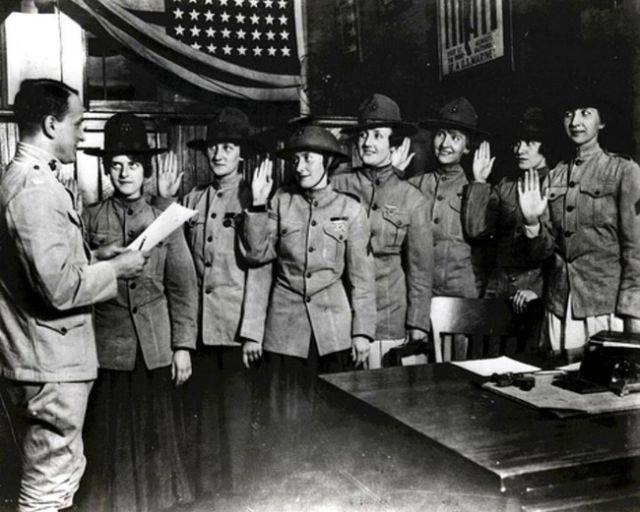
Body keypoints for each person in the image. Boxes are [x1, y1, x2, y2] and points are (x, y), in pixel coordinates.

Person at [0, 79, 146, 512]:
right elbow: (58, 290)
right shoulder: (35, 189)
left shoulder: (27, 179)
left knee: (59, 480)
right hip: (50, 363)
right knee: (48, 488)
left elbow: (43, 266)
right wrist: (115, 269)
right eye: (78, 124)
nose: (83, 134)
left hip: (42, 358)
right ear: (50, 125)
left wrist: (95, 255)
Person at [78, 113, 198, 511]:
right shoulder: (90, 218)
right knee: (109, 443)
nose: (124, 172)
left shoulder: (166, 217)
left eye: (132, 164)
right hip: (108, 349)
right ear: (106, 169)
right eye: (115, 165)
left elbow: (182, 286)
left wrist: (182, 346)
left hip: (155, 347)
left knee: (156, 441)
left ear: (145, 169)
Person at [155, 107, 270, 495]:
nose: (219, 154)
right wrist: (163, 201)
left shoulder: (256, 198)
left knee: (237, 427)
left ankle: (239, 499)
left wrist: (253, 331)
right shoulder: (193, 199)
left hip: (236, 332)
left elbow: (261, 268)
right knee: (201, 425)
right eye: (213, 147)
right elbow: (168, 258)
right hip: (200, 333)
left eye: (228, 147)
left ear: (241, 153)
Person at [241, 125, 376, 394]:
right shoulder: (281, 201)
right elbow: (258, 261)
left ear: (327, 162)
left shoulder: (350, 209)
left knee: (334, 417)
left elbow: (362, 278)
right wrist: (252, 332)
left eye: (308, 159)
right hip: (284, 332)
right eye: (296, 160)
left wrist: (362, 332)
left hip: (333, 333)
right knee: (284, 415)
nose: (300, 167)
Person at [518, 87, 640, 361]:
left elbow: (636, 251)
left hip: (605, 308)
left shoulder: (624, 171)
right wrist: (532, 222)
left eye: (586, 113)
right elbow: (542, 253)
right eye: (569, 114)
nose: (575, 122)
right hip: (559, 308)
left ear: (602, 121)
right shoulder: (555, 175)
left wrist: (634, 314)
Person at [332, 94, 433, 368]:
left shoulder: (413, 199)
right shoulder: (337, 186)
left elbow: (420, 271)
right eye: (364, 135)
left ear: (393, 143)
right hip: (339, 317)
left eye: (377, 135)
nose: (367, 142)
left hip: (388, 319)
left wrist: (418, 325)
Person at [462, 106, 553, 352]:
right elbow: (476, 230)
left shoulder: (557, 185)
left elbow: (557, 254)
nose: (520, 149)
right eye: (517, 142)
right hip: (498, 297)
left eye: (530, 142)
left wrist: (540, 294)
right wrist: (479, 182)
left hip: (533, 303)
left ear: (546, 145)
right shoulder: (507, 186)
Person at [409, 97, 490, 360]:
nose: (445, 144)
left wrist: (479, 184)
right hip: (418, 302)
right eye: (441, 134)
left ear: (468, 147)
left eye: (455, 137)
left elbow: (478, 232)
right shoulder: (415, 185)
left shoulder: (478, 189)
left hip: (461, 306)